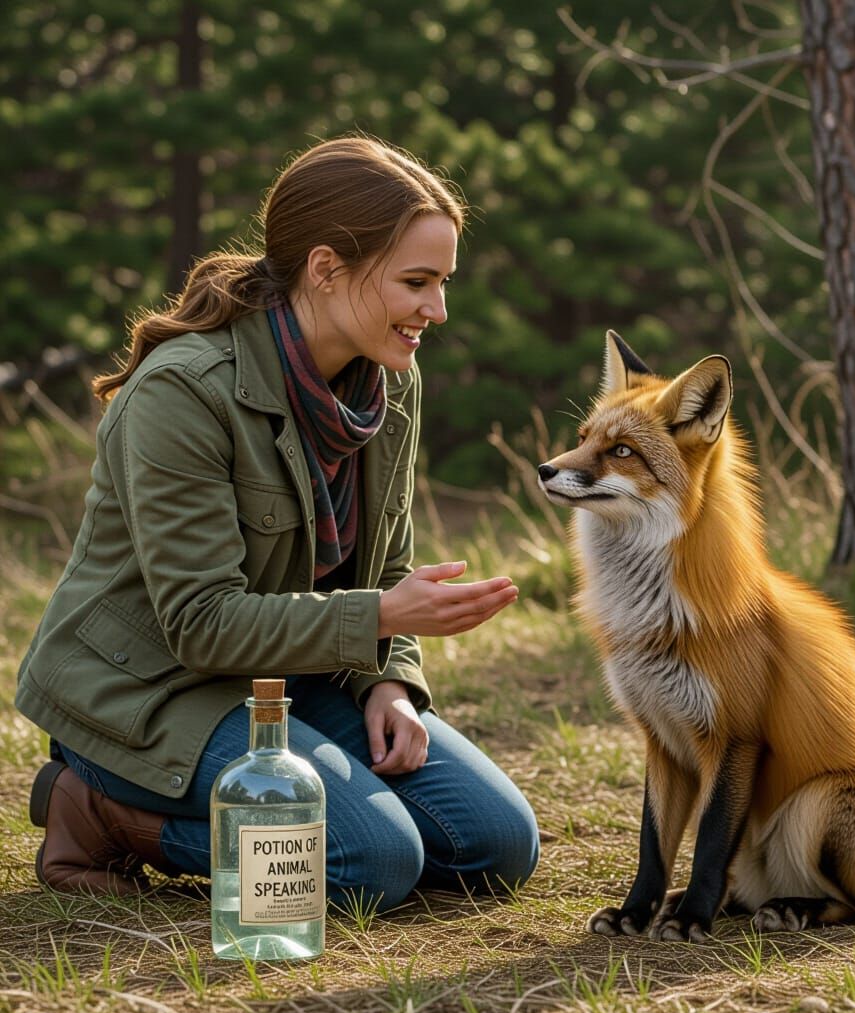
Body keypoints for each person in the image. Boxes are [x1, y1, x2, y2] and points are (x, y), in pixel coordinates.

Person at [17, 135, 539, 911]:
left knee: (495, 846)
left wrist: (390, 680)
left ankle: (304, 793)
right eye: (416, 282)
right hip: (152, 693)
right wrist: (383, 617)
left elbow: (387, 565)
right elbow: (200, 624)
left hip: (290, 675)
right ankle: (101, 813)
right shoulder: (183, 393)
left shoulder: (390, 381)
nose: (436, 310)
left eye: (442, 282)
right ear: (326, 268)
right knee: (373, 861)